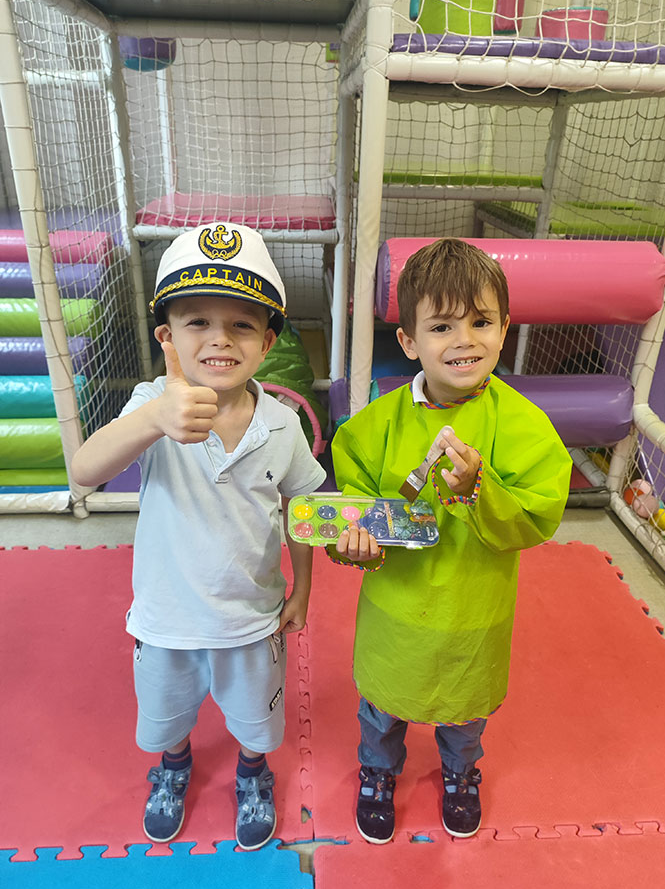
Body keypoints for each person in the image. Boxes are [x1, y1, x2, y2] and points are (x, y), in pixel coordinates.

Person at [71, 223, 326, 850]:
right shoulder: (149, 403)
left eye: (241, 325)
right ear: (167, 337)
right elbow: (84, 471)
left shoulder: (283, 423)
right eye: (197, 322)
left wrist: (303, 588)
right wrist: (154, 417)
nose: (219, 338)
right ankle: (174, 765)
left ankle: (252, 773)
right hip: (166, 620)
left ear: (267, 343)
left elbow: (300, 507)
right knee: (167, 716)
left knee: (256, 720)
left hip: (252, 618)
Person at [331, 238, 572, 845]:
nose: (464, 340)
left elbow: (535, 517)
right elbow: (352, 516)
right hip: (397, 615)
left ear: (505, 328)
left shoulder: (524, 426)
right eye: (442, 326)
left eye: (481, 322)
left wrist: (477, 490)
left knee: (466, 715)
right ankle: (378, 772)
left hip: (474, 613)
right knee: (382, 709)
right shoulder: (373, 428)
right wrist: (352, 545)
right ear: (409, 340)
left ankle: (461, 774)